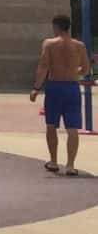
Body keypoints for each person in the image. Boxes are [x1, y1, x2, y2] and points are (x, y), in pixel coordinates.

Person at [30, 15, 89, 176]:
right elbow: (85, 69)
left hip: (54, 87)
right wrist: (74, 72)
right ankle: (70, 165)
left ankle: (54, 161)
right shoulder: (79, 46)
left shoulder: (49, 44)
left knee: (51, 125)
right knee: (72, 128)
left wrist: (36, 88)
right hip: (72, 87)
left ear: (56, 27)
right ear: (68, 27)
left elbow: (43, 67)